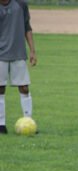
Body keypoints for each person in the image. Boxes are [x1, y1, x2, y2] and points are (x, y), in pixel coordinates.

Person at [0, 0, 36, 135]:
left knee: (24, 87)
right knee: (0, 89)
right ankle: (1, 125)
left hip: (18, 54)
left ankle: (28, 121)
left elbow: (27, 27)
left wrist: (32, 50)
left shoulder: (21, 4)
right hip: (0, 55)